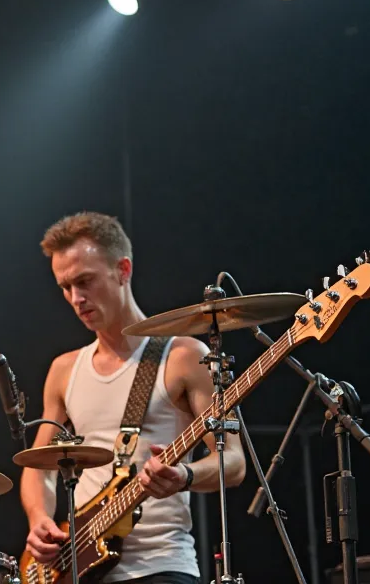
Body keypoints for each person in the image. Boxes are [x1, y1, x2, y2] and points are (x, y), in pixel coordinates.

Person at [18, 212, 246, 584]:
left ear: (123, 270)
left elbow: (234, 463)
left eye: (85, 281)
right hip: (80, 566)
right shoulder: (64, 369)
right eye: (64, 286)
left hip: (161, 564)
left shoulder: (184, 356)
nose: (76, 298)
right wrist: (39, 519)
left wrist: (185, 475)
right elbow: (38, 466)